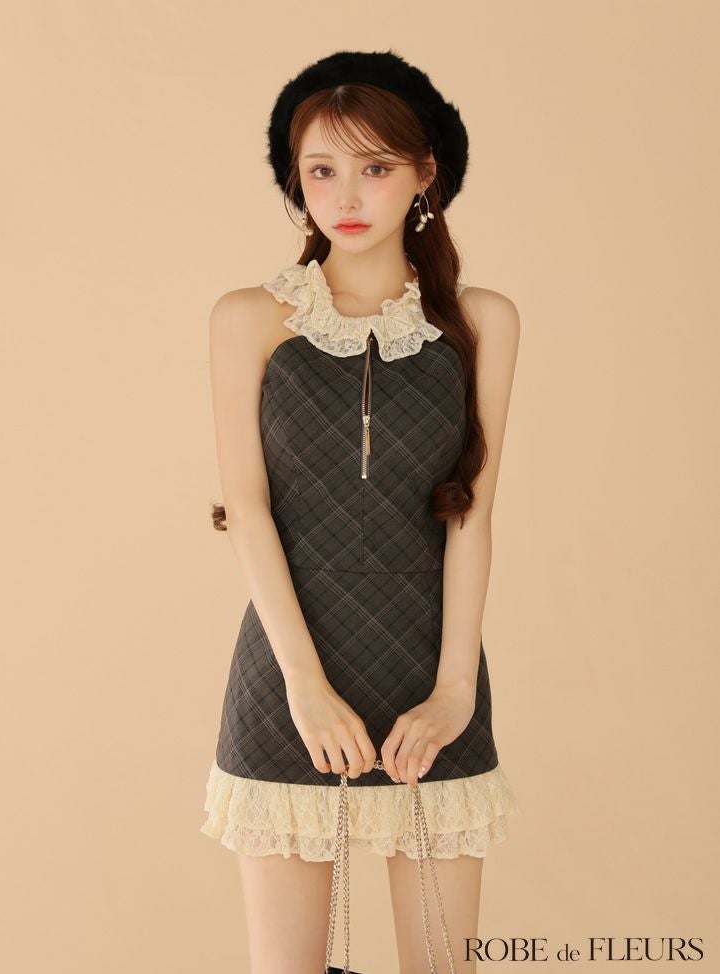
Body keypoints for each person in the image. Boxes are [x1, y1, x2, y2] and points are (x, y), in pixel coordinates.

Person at [201, 49, 522, 974]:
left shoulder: (482, 322)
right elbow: (249, 512)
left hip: (433, 679)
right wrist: (303, 687)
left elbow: (473, 515)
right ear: (296, 183)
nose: (345, 195)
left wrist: (455, 691)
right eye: (321, 170)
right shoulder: (248, 319)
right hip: (288, 682)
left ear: (425, 176)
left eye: (375, 167)